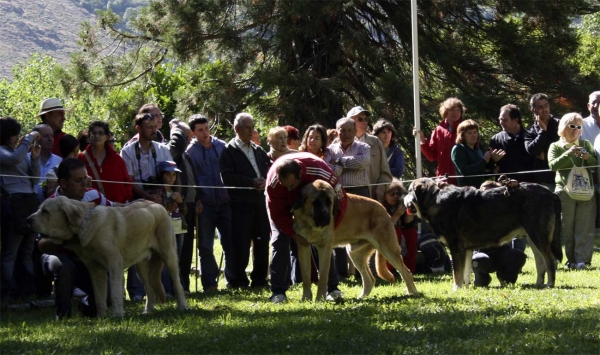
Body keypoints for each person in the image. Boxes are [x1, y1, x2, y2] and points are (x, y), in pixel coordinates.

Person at [266, 152, 347, 303]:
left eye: (291, 185)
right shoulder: (275, 184)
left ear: (301, 175)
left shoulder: (321, 173)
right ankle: (278, 292)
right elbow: (277, 216)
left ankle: (332, 288)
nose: (289, 189)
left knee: (325, 244)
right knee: (279, 240)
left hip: (313, 199)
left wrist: (330, 227)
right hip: (284, 205)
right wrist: (294, 234)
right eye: (286, 186)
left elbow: (341, 200)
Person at [39, 158, 114, 319]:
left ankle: (85, 305)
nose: (84, 184)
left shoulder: (93, 195)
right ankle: (63, 316)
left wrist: (140, 206)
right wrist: (69, 239)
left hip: (85, 259)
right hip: (56, 256)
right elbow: (42, 244)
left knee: (108, 297)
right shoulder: (50, 205)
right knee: (65, 267)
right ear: (64, 183)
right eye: (78, 180)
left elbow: (116, 209)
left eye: (85, 179)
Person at [120, 112, 173, 301]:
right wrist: (148, 196)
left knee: (164, 246)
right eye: (149, 127)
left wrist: (163, 193)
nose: (153, 130)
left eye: (154, 127)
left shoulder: (162, 149)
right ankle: (136, 292)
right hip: (137, 204)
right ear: (138, 128)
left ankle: (165, 291)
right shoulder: (127, 152)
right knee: (137, 247)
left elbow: (171, 174)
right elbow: (129, 182)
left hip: (160, 203)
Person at [219, 113, 271, 289]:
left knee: (262, 241)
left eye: (252, 127)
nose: (251, 131)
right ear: (237, 129)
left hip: (260, 203)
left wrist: (264, 180)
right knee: (240, 243)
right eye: (247, 127)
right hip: (240, 204)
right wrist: (250, 182)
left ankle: (260, 280)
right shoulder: (228, 151)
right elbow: (226, 177)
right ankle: (238, 281)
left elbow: (268, 169)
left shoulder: (258, 150)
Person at [185, 114, 233, 292]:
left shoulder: (222, 146)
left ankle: (232, 280)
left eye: (206, 128)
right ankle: (210, 283)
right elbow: (191, 180)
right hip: (204, 204)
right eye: (200, 130)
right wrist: (197, 199)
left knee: (229, 242)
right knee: (205, 246)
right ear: (193, 132)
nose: (205, 133)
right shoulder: (190, 153)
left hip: (225, 201)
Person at [548, 113, 597, 270]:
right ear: (563, 127)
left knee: (584, 227)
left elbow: (595, 165)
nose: (576, 130)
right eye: (572, 126)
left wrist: (587, 156)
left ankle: (582, 260)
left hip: (586, 191)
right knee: (566, 227)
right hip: (564, 191)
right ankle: (570, 260)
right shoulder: (555, 146)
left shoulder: (586, 143)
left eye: (579, 127)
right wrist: (568, 154)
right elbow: (553, 166)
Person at [0, 117, 41, 304]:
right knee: (10, 252)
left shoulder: (20, 152)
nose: (17, 138)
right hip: (13, 204)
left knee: (26, 252)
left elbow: (35, 179)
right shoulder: (3, 152)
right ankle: (8, 291)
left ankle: (28, 290)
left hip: (29, 203)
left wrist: (34, 157)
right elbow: (13, 159)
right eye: (15, 135)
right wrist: (28, 139)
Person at [324, 117, 370, 278]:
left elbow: (362, 162)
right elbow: (330, 170)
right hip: (338, 193)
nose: (346, 134)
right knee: (339, 229)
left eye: (350, 130)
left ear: (355, 131)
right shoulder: (329, 150)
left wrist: (340, 162)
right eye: (342, 130)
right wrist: (342, 166)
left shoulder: (364, 147)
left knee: (362, 230)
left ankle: (361, 272)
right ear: (337, 131)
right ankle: (341, 272)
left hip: (360, 192)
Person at [413, 98, 465, 185]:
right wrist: (422, 140)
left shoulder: (466, 128)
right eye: (452, 110)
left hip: (462, 179)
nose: (455, 113)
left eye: (458, 110)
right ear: (445, 112)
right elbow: (431, 155)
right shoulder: (439, 130)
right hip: (443, 179)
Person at [79, 121, 132, 204]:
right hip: (90, 210)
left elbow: (127, 183)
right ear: (89, 136)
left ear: (107, 137)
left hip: (116, 209)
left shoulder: (117, 159)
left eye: (101, 133)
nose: (97, 136)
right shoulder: (80, 159)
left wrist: (122, 198)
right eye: (94, 133)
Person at [347, 106, 392, 199]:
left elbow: (386, 173)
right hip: (348, 199)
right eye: (360, 119)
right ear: (350, 121)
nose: (364, 121)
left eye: (365, 119)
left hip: (372, 198)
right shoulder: (339, 143)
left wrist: (381, 187)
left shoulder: (376, 142)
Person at [380, 179, 417, 273]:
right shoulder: (381, 207)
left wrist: (409, 210)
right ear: (385, 196)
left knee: (412, 233)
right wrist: (397, 215)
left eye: (397, 194)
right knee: (396, 231)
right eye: (392, 194)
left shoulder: (400, 204)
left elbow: (408, 225)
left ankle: (409, 268)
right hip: (383, 236)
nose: (396, 196)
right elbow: (385, 228)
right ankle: (391, 268)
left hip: (401, 233)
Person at [489, 104, 534, 182]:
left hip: (527, 185)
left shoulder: (530, 136)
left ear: (515, 120)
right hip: (505, 187)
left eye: (505, 120)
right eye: (500, 119)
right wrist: (494, 160)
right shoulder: (496, 139)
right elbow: (488, 167)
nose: (501, 122)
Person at [525, 93, 560, 190]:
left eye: (546, 106)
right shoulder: (529, 132)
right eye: (540, 107)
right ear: (533, 110)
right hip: (544, 181)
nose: (544, 109)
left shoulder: (561, 125)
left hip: (563, 178)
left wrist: (546, 155)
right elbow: (534, 151)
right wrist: (542, 131)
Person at [451, 120, 500, 188]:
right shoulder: (458, 149)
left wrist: (493, 172)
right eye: (469, 133)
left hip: (480, 190)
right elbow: (464, 171)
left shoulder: (478, 150)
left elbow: (480, 175)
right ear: (462, 135)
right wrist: (484, 161)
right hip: (466, 192)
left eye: (475, 132)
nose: (473, 135)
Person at [29, 124, 61, 202]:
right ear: (36, 138)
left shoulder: (59, 161)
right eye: (46, 136)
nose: (50, 139)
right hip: (29, 206)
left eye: (52, 136)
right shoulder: (25, 159)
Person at [43, 134, 80, 200]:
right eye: (72, 151)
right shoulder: (54, 172)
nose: (76, 155)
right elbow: (50, 195)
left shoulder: (80, 170)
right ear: (65, 151)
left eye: (77, 151)